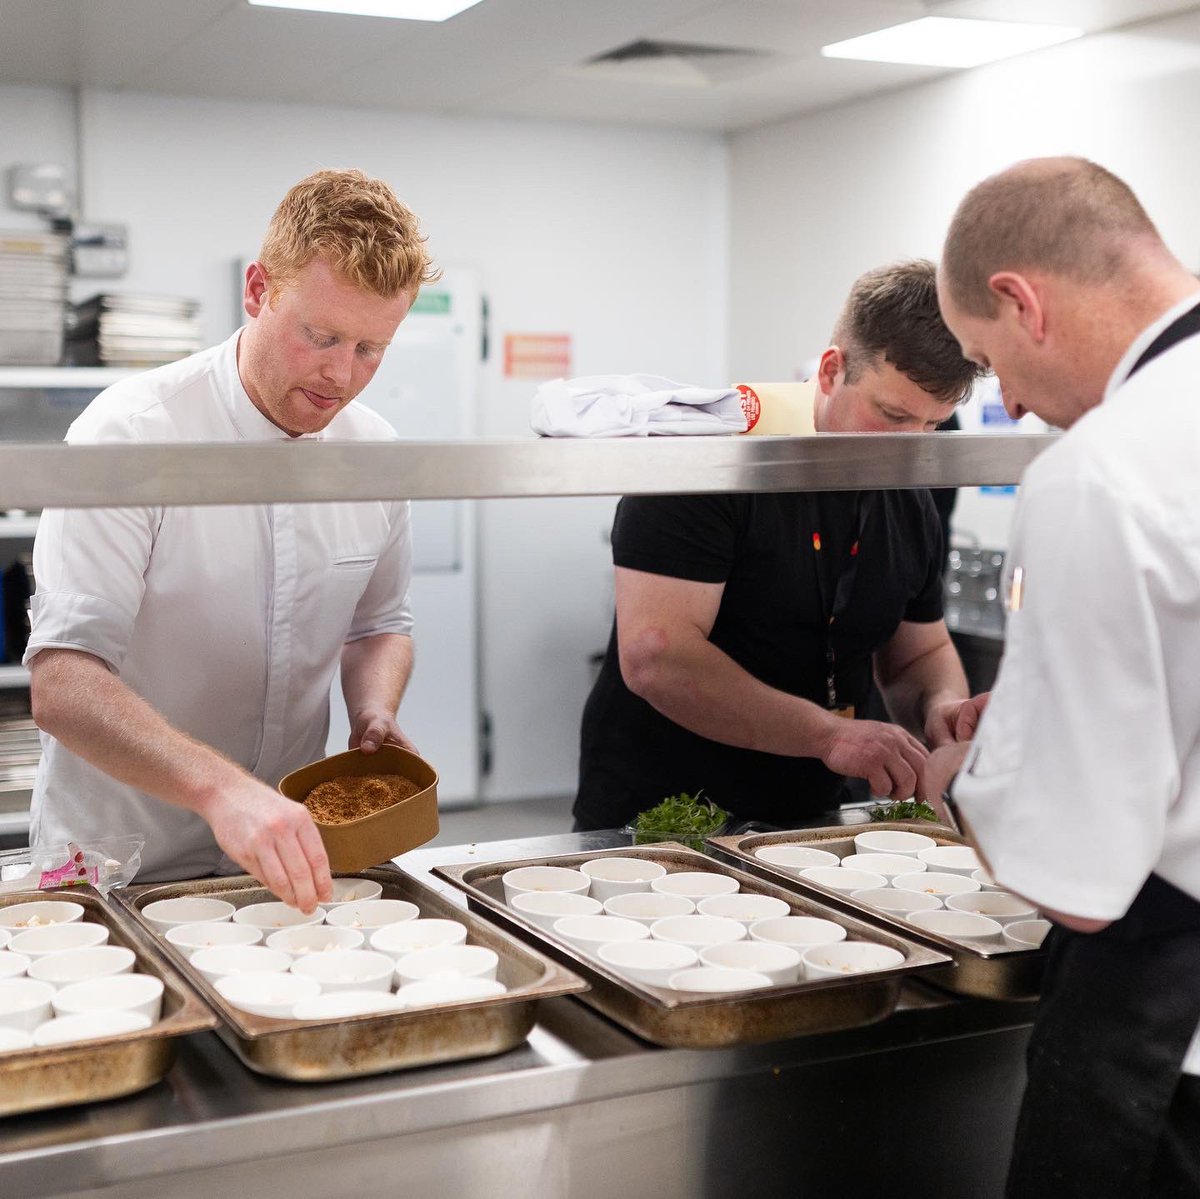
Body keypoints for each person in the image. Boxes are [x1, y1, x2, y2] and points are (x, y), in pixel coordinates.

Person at [24, 168, 439, 912]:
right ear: (257, 290)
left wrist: (373, 709)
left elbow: (379, 625)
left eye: (371, 348)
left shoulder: (374, 453)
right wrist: (223, 791)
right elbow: (63, 683)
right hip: (118, 862)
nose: (341, 374)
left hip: (282, 858)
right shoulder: (130, 435)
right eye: (321, 336)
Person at [923, 156, 1200, 1197]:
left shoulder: (1104, 471)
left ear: (1021, 301)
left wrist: (975, 771)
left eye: (988, 361)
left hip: (1166, 1038)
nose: (1014, 401)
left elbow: (1074, 884)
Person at [575, 259, 987, 833]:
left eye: (931, 425)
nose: (908, 447)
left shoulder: (909, 497)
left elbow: (918, 653)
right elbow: (657, 656)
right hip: (666, 811)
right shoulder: (710, 459)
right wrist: (829, 735)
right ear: (831, 371)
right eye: (892, 414)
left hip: (812, 811)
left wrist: (941, 707)